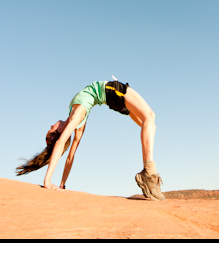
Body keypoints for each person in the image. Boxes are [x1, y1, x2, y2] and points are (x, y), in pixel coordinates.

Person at [16, 77, 165, 201]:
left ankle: (148, 174)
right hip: (110, 91)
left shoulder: (78, 125)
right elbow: (61, 143)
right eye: (52, 128)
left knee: (150, 126)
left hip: (111, 100)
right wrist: (47, 181)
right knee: (150, 117)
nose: (51, 125)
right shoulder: (77, 117)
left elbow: (70, 157)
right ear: (60, 130)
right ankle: (149, 172)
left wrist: (62, 185)